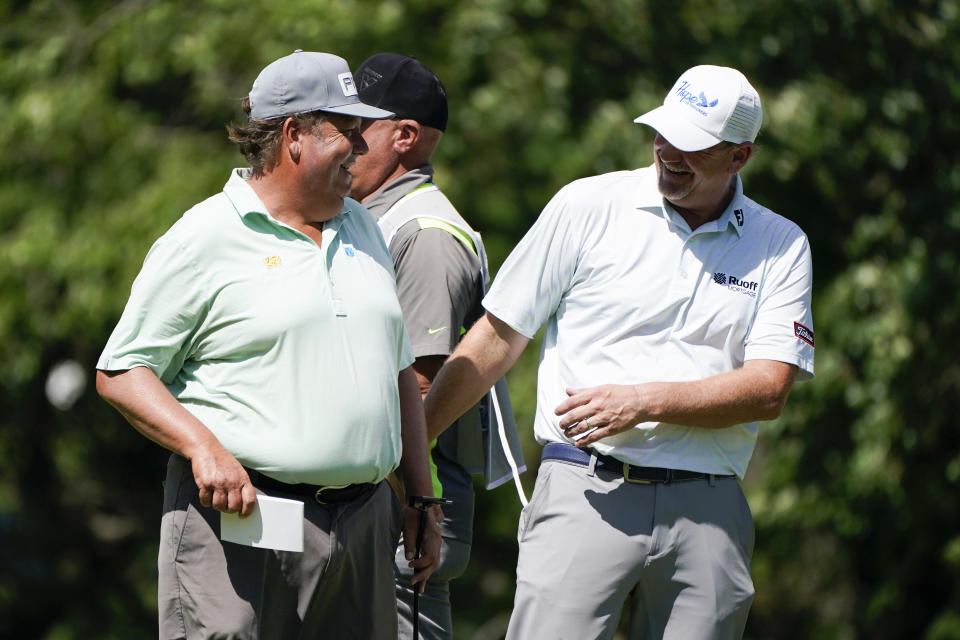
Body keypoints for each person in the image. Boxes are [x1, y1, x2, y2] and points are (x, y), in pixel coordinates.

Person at [423, 64, 815, 639]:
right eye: (663, 133)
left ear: (740, 156)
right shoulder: (588, 205)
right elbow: (496, 338)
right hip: (587, 488)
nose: (670, 152)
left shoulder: (780, 244)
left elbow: (769, 388)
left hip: (709, 506)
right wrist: (412, 447)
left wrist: (644, 400)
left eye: (694, 145)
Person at [95, 50, 440, 640]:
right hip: (241, 520)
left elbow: (398, 370)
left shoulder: (361, 225)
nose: (361, 150)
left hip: (362, 524)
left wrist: (421, 496)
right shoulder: (204, 237)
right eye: (348, 133)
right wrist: (202, 446)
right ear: (293, 136)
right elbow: (123, 371)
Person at [349, 53, 525, 640]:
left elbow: (423, 384)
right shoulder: (371, 219)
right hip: (376, 505)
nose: (342, 140)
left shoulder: (424, 235)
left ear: (404, 136)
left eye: (357, 127)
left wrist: (401, 493)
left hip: (406, 513)